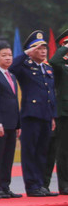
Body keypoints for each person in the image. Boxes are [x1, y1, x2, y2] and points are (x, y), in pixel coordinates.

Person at [9, 30, 58, 197]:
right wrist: (25, 54)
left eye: (45, 48)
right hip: (31, 115)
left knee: (42, 152)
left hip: (46, 115)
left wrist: (53, 115)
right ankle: (31, 186)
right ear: (31, 51)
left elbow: (50, 93)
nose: (43, 51)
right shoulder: (25, 67)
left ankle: (41, 184)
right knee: (30, 151)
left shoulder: (47, 68)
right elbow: (12, 68)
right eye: (38, 48)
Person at [0, 41, 22, 198]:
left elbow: (15, 101)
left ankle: (5, 186)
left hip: (12, 122)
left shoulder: (12, 75)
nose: (8, 58)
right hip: (1, 123)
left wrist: (18, 124)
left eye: (10, 55)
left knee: (8, 156)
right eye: (4, 55)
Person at [46, 28, 68, 195]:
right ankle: (64, 184)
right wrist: (65, 48)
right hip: (64, 113)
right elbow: (54, 61)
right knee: (64, 151)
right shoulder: (61, 66)